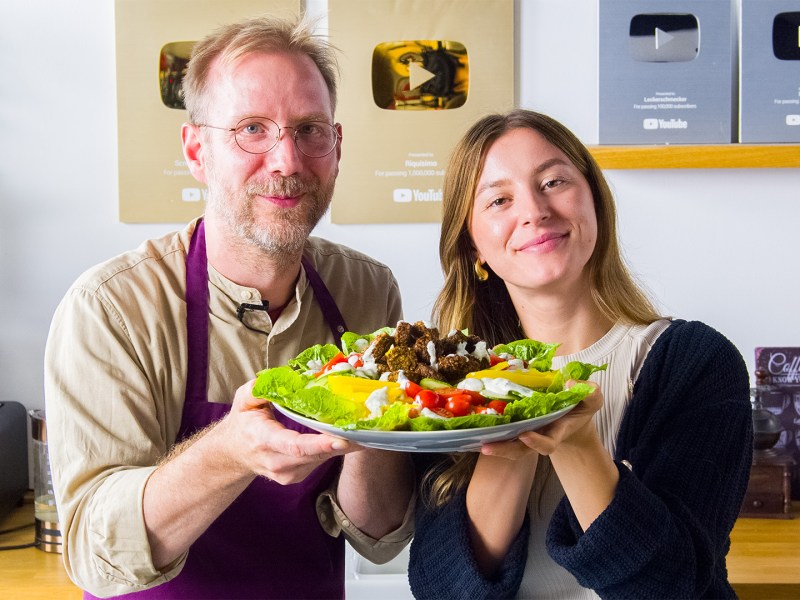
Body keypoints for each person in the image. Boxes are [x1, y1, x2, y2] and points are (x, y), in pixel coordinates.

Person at [44, 14, 415, 599]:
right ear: (197, 150)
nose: (287, 161)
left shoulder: (366, 291)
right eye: (251, 129)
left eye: (309, 130)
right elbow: (93, 554)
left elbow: (377, 538)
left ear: (336, 146)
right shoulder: (112, 308)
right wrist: (230, 450)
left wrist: (374, 427)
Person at [407, 109, 753, 599]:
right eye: (499, 200)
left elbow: (672, 586)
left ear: (595, 201)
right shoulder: (444, 389)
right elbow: (443, 591)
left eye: (553, 181)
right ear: (473, 247)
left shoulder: (696, 363)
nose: (534, 211)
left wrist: (576, 441)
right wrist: (509, 423)